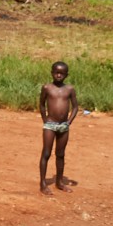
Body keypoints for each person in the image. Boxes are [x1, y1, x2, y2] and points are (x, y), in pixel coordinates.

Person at [38, 61, 77, 194]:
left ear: (66, 75)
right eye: (56, 72)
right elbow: (42, 104)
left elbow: (75, 107)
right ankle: (43, 183)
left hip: (64, 126)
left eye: (62, 73)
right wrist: (45, 120)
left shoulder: (70, 89)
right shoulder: (47, 88)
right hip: (50, 125)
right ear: (52, 73)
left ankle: (59, 182)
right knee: (46, 153)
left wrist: (69, 122)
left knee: (60, 154)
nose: (59, 75)